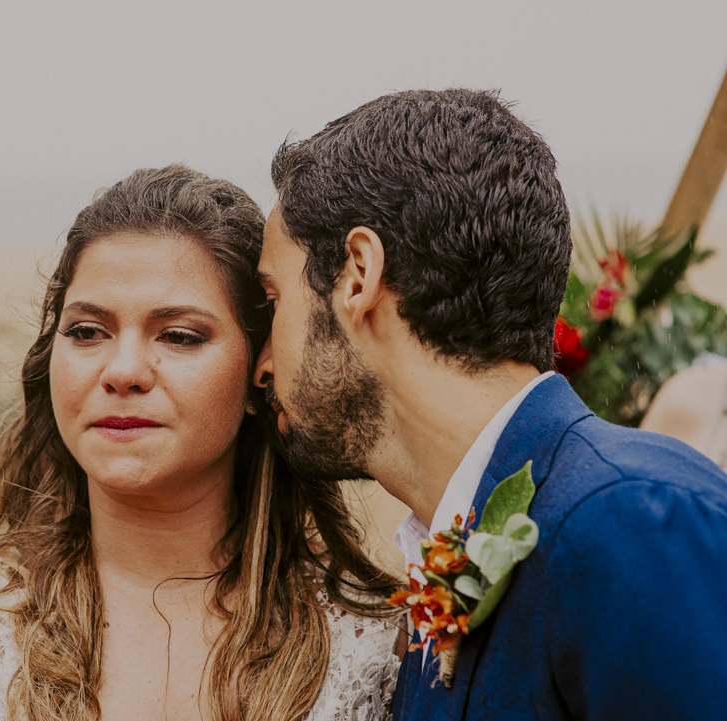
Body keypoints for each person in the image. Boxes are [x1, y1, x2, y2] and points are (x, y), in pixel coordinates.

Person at [0, 164, 404, 721]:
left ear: (259, 368)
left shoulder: (378, 652)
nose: (123, 371)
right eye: (88, 331)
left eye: (179, 335)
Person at [253, 89, 727, 720]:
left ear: (357, 277)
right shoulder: (449, 574)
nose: (262, 365)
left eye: (273, 298)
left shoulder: (631, 518)